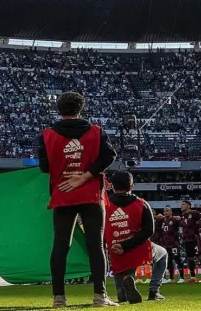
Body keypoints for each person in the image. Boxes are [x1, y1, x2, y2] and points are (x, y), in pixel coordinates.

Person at [38, 92, 117, 308]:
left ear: (59, 109)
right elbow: (110, 156)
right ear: (80, 108)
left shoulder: (47, 135)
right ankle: (100, 296)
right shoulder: (96, 131)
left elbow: (44, 167)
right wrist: (84, 175)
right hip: (90, 193)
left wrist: (66, 170)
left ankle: (58, 298)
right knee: (95, 245)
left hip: (63, 192)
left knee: (61, 245)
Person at [105, 171, 165, 304]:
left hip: (115, 250)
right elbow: (149, 230)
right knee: (163, 254)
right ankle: (154, 291)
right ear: (132, 186)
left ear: (112, 187)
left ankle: (122, 290)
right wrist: (126, 245)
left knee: (122, 270)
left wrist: (113, 245)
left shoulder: (104, 205)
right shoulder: (141, 203)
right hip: (138, 248)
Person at [158, 207, 183, 284]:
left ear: (171, 212)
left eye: (167, 211)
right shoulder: (162, 221)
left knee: (177, 260)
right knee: (169, 261)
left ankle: (182, 277)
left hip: (174, 244)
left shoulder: (175, 220)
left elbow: (181, 225)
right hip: (166, 244)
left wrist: (180, 218)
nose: (165, 212)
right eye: (164, 211)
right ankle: (171, 278)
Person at [180, 201, 200, 283]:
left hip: (194, 239)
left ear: (188, 206)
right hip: (186, 239)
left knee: (200, 256)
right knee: (190, 258)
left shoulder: (194, 213)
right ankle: (193, 276)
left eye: (183, 204)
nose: (181, 206)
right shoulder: (183, 216)